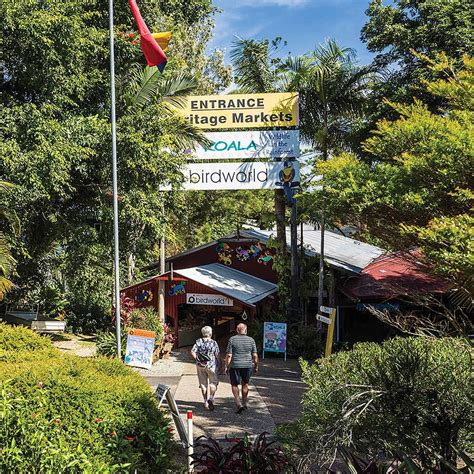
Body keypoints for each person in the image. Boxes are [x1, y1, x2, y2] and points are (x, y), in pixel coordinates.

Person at [225, 322, 259, 414]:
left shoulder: (232, 339)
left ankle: (238, 403)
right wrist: (256, 366)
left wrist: (226, 366)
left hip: (235, 365)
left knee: (234, 384)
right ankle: (244, 403)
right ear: (246, 330)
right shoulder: (251, 340)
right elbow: (255, 355)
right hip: (247, 365)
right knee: (245, 384)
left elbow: (229, 355)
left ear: (237, 330)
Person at [191, 326, 221, 410]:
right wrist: (220, 363)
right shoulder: (214, 343)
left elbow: (192, 351)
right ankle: (211, 398)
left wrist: (197, 359)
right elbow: (217, 354)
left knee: (203, 384)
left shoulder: (198, 341)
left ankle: (205, 401)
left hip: (200, 366)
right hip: (211, 365)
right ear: (210, 333)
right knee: (213, 383)